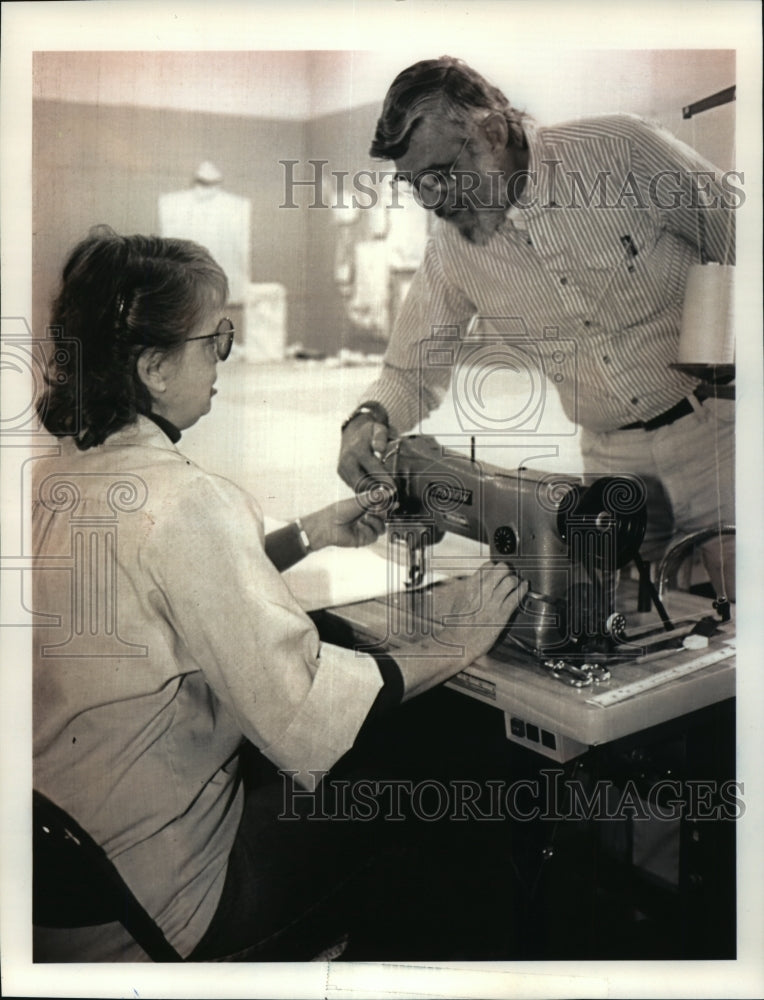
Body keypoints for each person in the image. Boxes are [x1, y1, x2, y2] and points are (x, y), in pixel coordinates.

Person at [32, 226, 526, 961]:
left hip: (62, 884)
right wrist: (457, 639)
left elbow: (163, 594)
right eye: (214, 339)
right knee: (439, 792)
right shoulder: (186, 498)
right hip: (162, 906)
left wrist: (311, 533)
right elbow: (302, 710)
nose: (224, 357)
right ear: (153, 367)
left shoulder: (56, 473)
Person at [337, 56, 736, 600]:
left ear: (494, 132)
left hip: (721, 433)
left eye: (441, 175)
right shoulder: (452, 248)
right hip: (612, 464)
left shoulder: (621, 150)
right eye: (416, 186)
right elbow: (410, 370)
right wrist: (366, 421)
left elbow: (741, 239)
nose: (434, 201)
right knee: (642, 626)